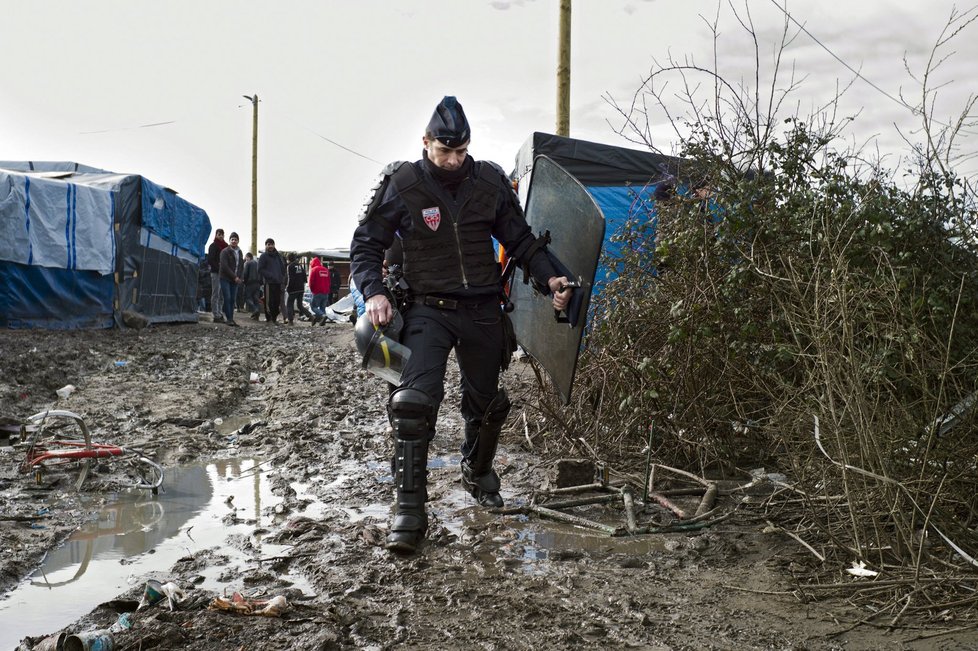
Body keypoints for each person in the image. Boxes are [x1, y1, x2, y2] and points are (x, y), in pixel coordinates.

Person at [350, 96, 572, 553]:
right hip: (427, 307)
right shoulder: (403, 183)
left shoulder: (489, 181)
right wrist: (374, 291)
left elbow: (521, 240)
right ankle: (410, 512)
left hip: (483, 309)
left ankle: (477, 470)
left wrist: (552, 277)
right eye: (443, 151)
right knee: (411, 403)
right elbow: (365, 244)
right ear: (426, 142)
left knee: (488, 403)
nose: (453, 160)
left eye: (460, 151)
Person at [257, 238, 287, 323]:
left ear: (274, 245)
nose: (270, 246)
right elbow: (260, 269)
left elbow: (282, 267)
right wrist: (270, 275)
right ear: (266, 246)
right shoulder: (263, 256)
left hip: (278, 282)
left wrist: (282, 277)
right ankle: (269, 318)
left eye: (272, 244)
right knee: (269, 301)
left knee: (277, 301)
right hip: (268, 283)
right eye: (268, 244)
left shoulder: (278, 256)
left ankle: (274, 317)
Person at [218, 232, 244, 326]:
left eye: (235, 239)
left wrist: (240, 277)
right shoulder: (225, 251)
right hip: (225, 278)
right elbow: (224, 266)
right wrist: (235, 277)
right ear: (229, 241)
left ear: (238, 241)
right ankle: (228, 318)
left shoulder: (240, 252)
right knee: (227, 297)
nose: (234, 241)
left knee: (233, 299)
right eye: (232, 239)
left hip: (235, 279)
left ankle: (231, 319)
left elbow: (241, 265)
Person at [285, 252, 314, 325]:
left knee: (289, 304)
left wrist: (288, 288)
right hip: (301, 288)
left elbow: (290, 278)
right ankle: (310, 316)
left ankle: (290, 321)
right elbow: (305, 277)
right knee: (300, 305)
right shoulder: (300, 266)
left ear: (288, 259)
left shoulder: (290, 266)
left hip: (293, 288)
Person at [206, 229, 227, 322]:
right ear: (216, 235)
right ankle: (215, 314)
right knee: (216, 293)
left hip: (224, 274)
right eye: (219, 234)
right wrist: (218, 268)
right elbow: (210, 259)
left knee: (222, 294)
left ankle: (220, 312)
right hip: (216, 273)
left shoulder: (226, 247)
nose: (221, 236)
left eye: (222, 234)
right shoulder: (213, 246)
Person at [308, 256, 332, 325]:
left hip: (317, 292)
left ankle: (323, 316)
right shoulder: (326, 269)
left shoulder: (314, 270)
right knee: (322, 307)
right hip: (326, 292)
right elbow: (329, 281)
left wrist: (312, 290)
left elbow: (311, 282)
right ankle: (322, 322)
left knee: (313, 307)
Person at [242, 252, 262, 319]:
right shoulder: (257, 263)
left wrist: (244, 281)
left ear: (248, 257)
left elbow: (245, 273)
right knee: (256, 299)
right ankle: (256, 315)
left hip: (250, 283)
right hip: (258, 283)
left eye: (246, 257)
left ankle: (255, 309)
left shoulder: (247, 263)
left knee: (247, 298)